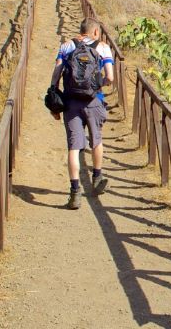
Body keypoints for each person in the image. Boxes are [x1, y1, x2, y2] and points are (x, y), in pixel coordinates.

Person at [49, 18, 115, 209]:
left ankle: (75, 192)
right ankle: (97, 177)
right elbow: (110, 77)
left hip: (71, 102)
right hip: (94, 101)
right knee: (97, 140)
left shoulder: (67, 46)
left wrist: (54, 99)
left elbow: (56, 74)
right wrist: (97, 85)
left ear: (82, 30)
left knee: (73, 147)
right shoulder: (103, 48)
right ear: (95, 32)